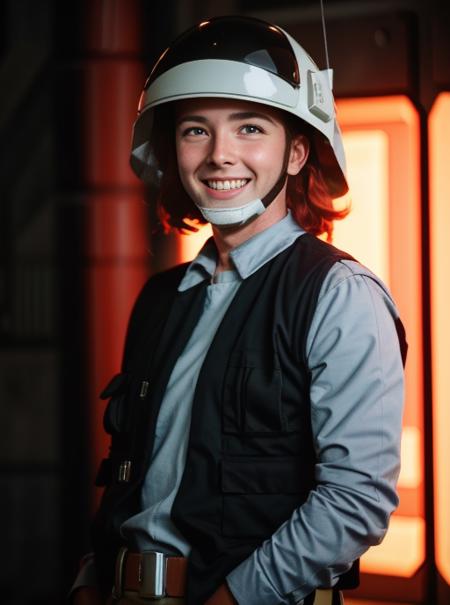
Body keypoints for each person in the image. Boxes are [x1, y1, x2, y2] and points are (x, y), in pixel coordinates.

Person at [71, 15, 406, 605]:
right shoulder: (159, 299)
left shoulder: (339, 295)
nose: (220, 155)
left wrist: (237, 598)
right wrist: (88, 582)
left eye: (249, 128)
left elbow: (356, 501)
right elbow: (129, 474)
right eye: (196, 131)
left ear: (298, 153)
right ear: (173, 151)